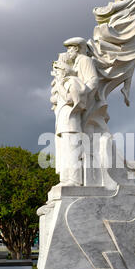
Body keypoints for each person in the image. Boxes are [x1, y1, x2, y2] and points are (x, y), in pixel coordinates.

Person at [51, 37, 98, 186]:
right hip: (66, 115)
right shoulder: (74, 67)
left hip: (79, 108)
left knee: (72, 148)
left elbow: (93, 80)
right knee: (66, 149)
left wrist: (82, 97)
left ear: (76, 48)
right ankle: (66, 179)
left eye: (70, 48)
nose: (68, 52)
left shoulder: (84, 60)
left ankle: (74, 179)